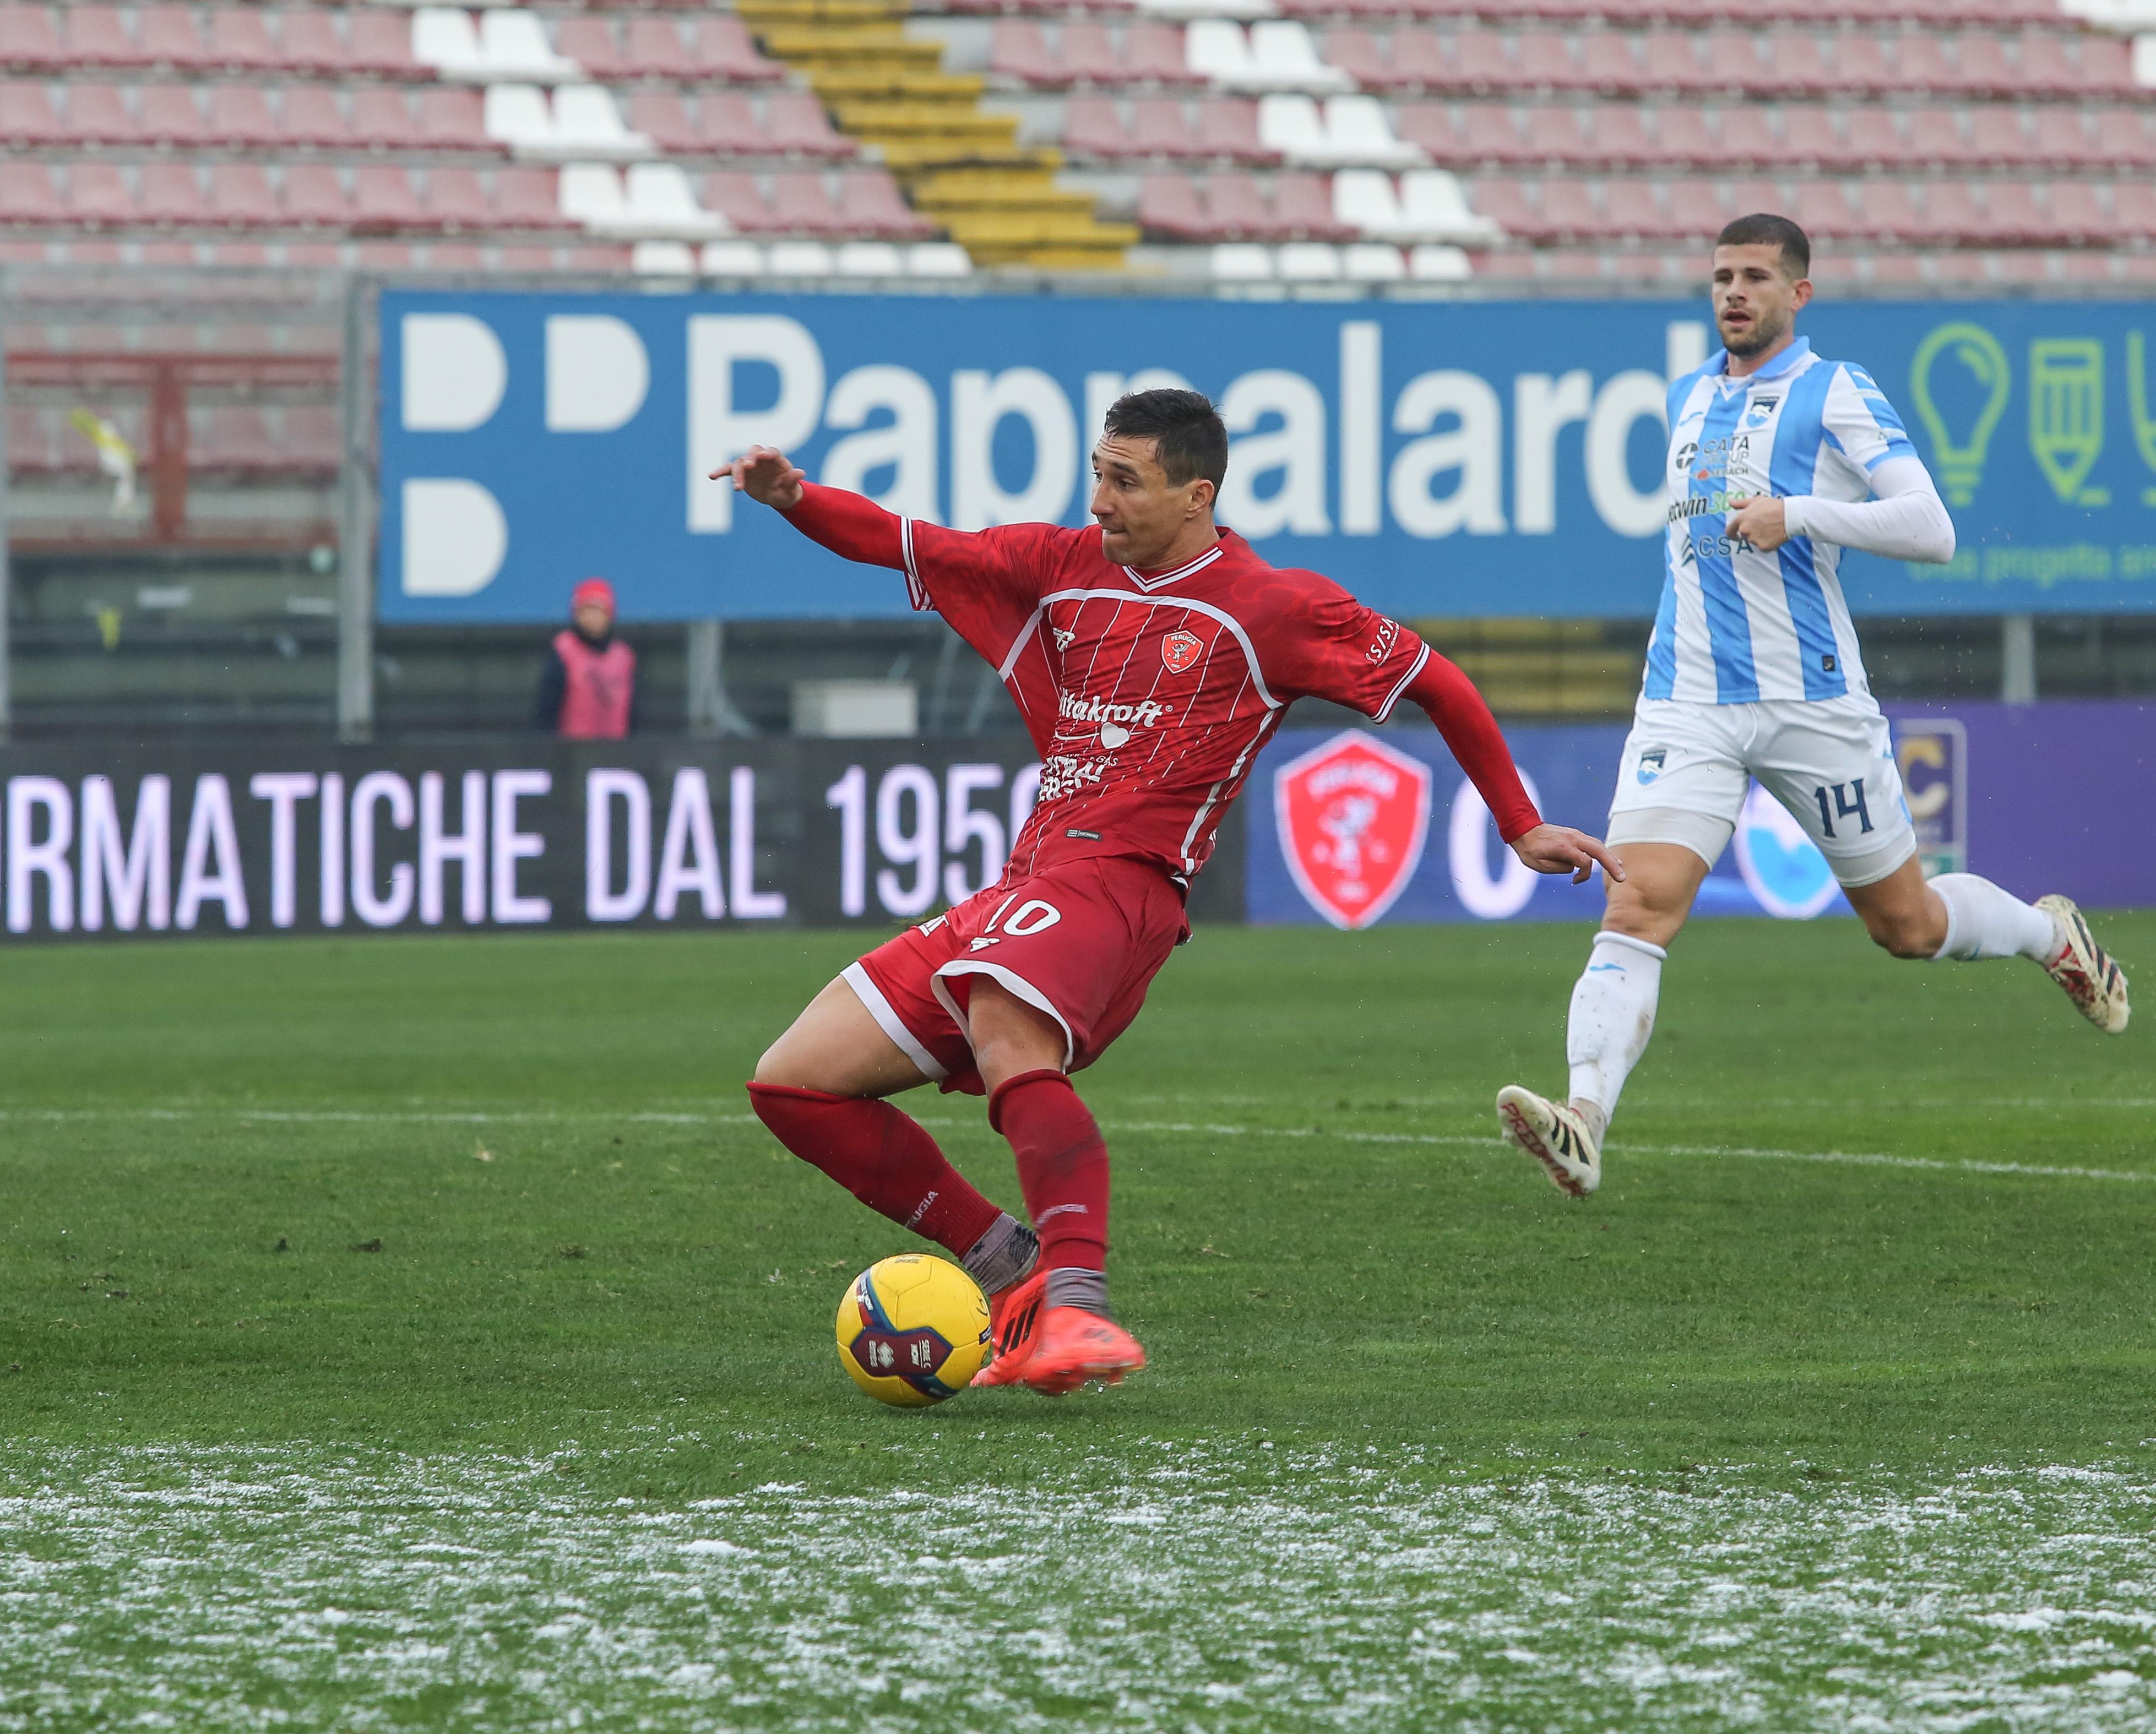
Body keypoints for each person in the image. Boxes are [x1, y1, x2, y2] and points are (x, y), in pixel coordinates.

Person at [713, 389, 1621, 1397]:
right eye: (1098, 472)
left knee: (1006, 1030)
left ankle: (1081, 1313)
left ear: (1198, 495)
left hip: (1126, 884)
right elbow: (904, 542)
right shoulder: (1062, 565)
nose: (1098, 499)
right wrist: (795, 496)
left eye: (1124, 481)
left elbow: (1436, 681)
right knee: (795, 1082)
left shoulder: (1273, 607)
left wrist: (1518, 821)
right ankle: (1007, 1263)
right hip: (1036, 877)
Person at [1496, 214, 2130, 1201]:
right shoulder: (1687, 394)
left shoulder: (1837, 389)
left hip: (1812, 702)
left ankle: (2052, 936)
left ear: (1800, 293)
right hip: (1688, 701)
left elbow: (1932, 529)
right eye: (1720, 276)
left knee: (1908, 925)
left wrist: (1803, 514)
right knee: (1636, 906)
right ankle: (1584, 1119)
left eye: (1755, 276)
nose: (1733, 292)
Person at [536, 577, 637, 739]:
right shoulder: (563, 652)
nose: (593, 618)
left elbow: (634, 712)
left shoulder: (624, 656)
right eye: (587, 610)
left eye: (599, 611)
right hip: (571, 754)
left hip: (617, 752)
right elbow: (547, 710)